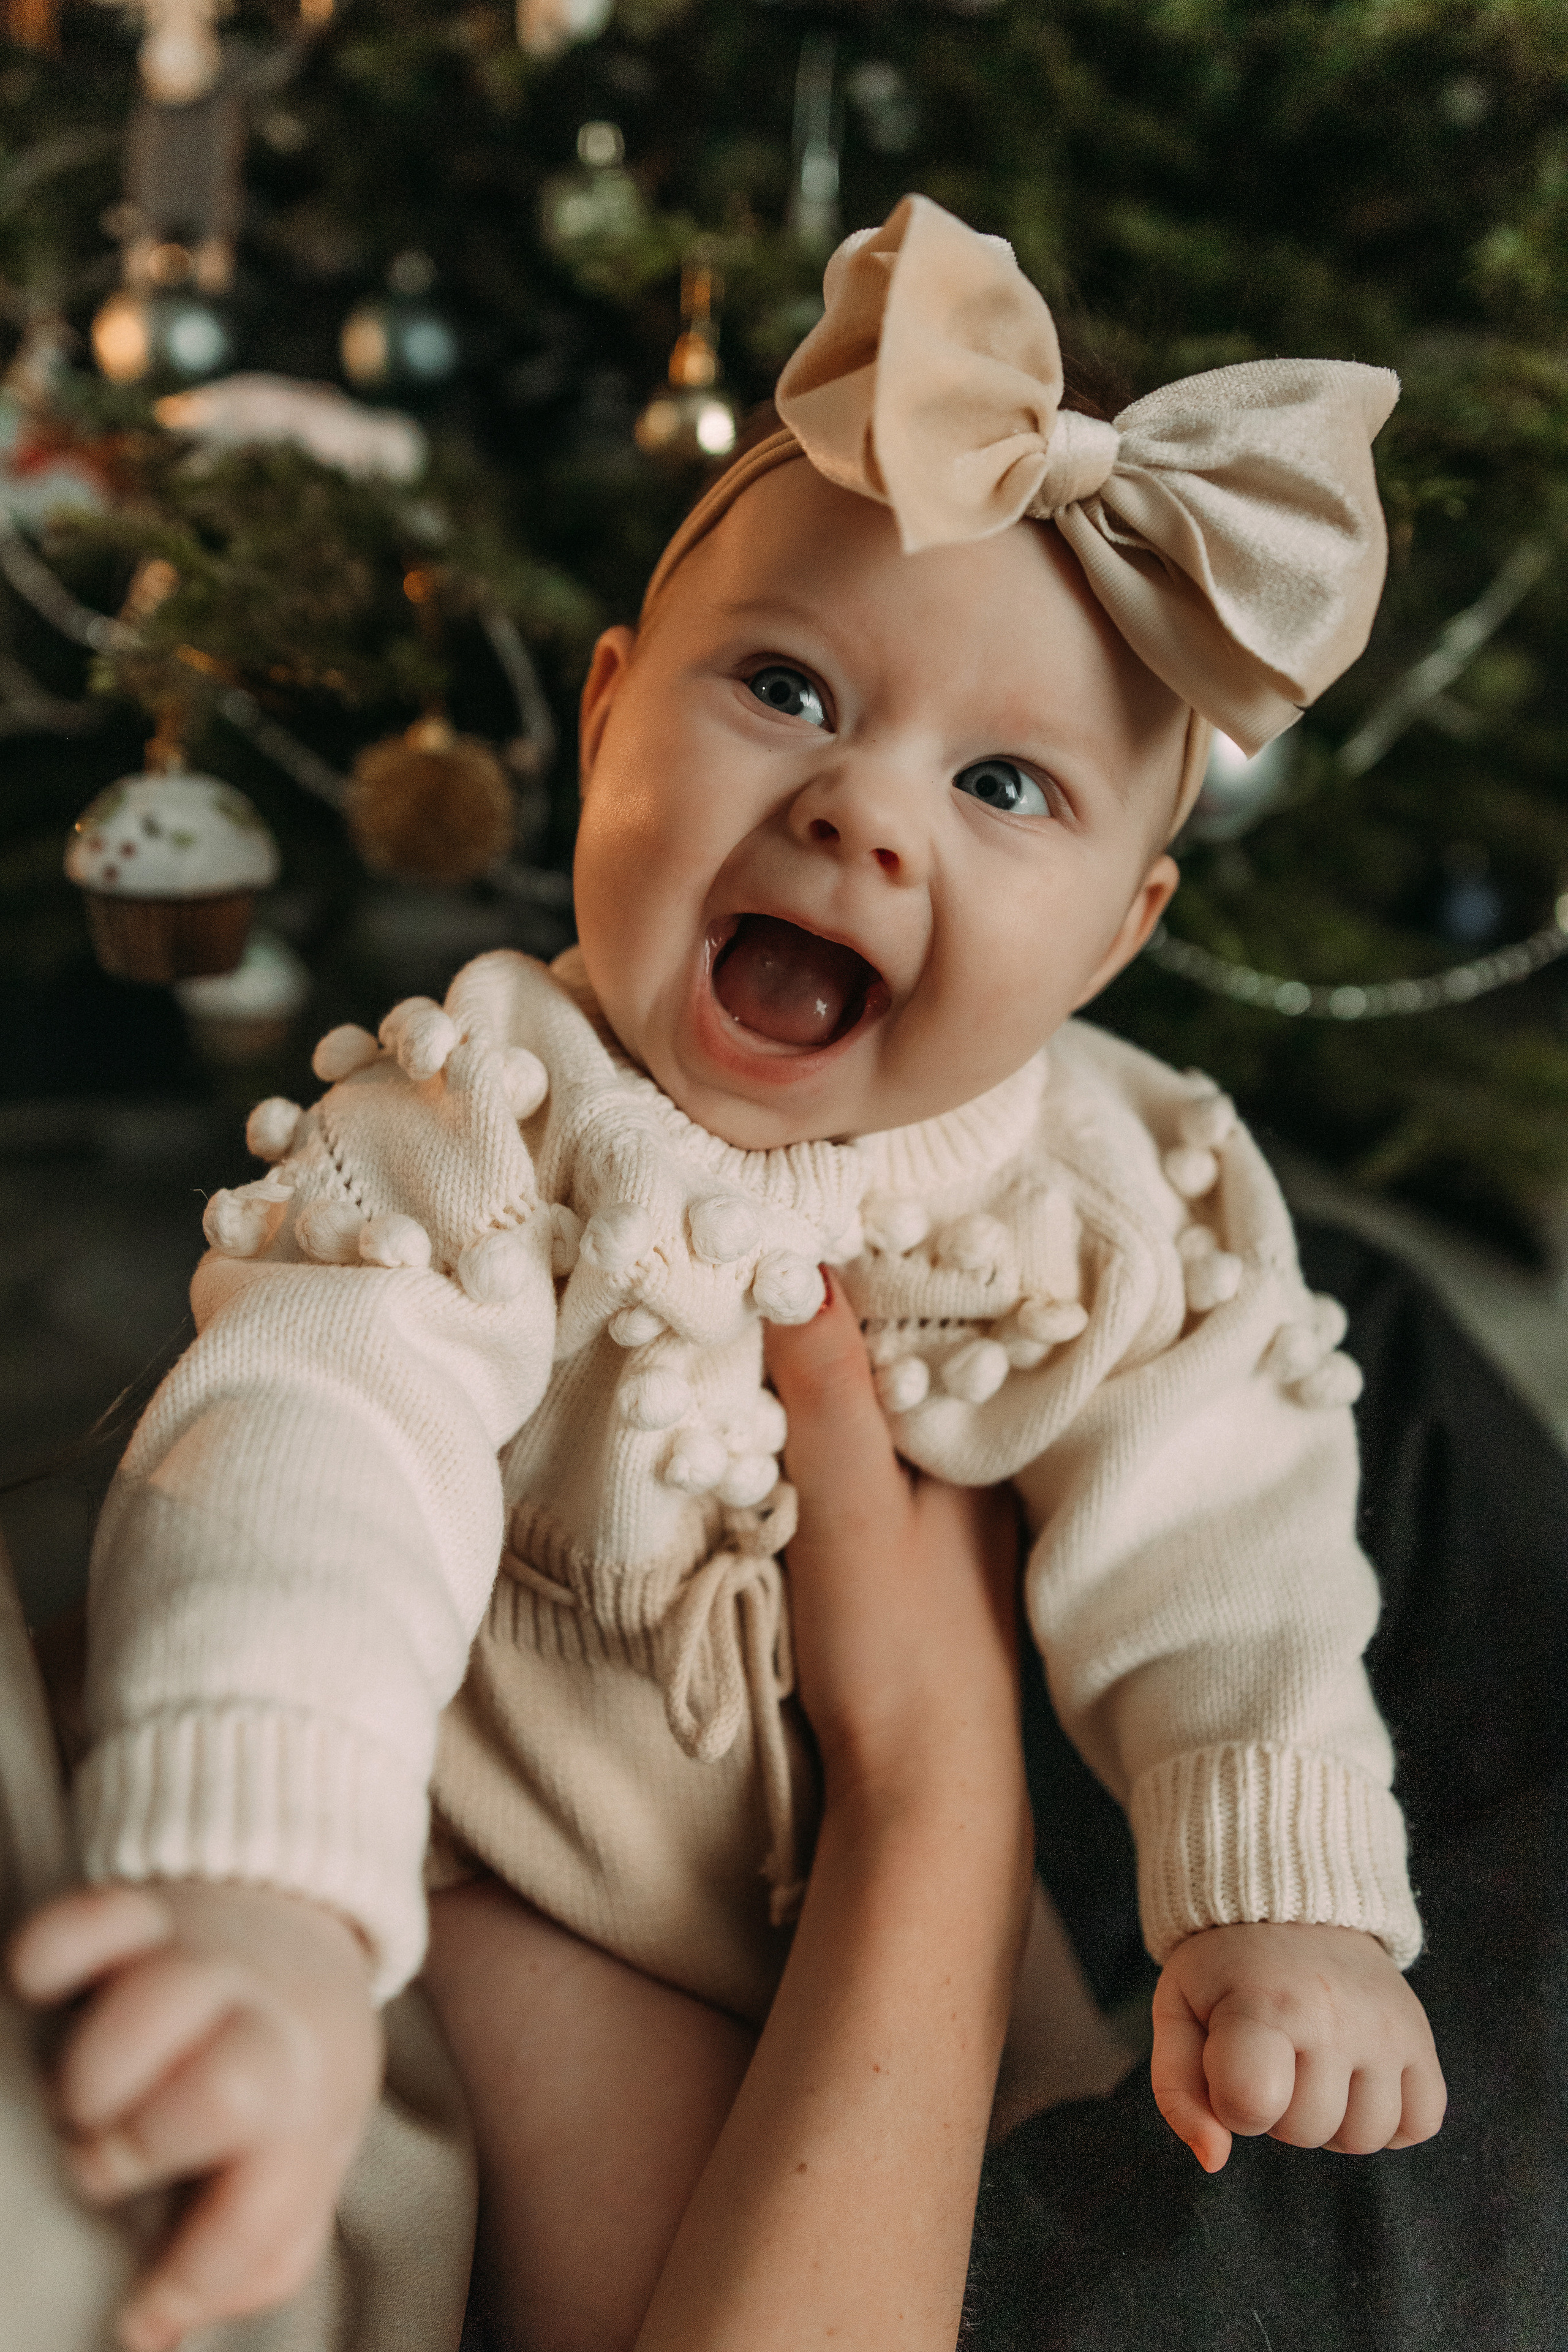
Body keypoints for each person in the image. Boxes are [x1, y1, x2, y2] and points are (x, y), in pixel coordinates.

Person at [9, 194, 1444, 2350]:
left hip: (946, 1898)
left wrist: (1280, 1895)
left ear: (1125, 937)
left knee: (1067, 2223)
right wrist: (263, 1881)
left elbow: (1227, 1538)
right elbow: (313, 1442)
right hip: (521, 1870)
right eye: (785, 688)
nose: (867, 813)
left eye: (1003, 785)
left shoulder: (1120, 1193)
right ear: (606, 723)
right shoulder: (483, 1116)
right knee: (631, 2272)